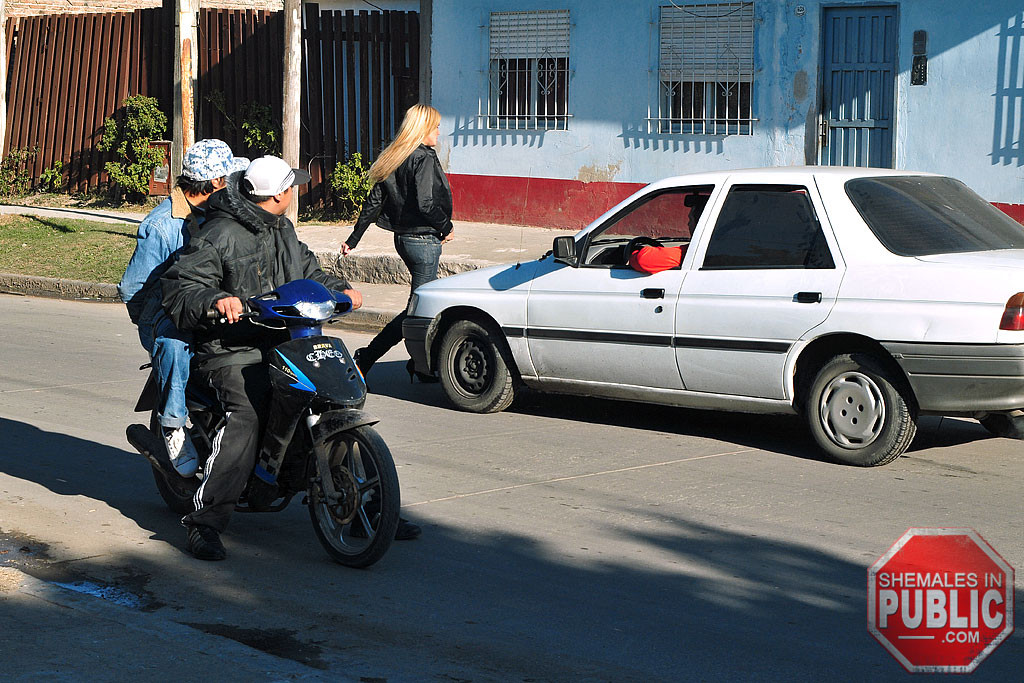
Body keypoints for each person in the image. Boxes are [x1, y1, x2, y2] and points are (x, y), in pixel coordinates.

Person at [162, 155, 419, 560]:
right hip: (232, 349)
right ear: (278, 193)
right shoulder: (218, 235)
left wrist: (341, 288)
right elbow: (181, 289)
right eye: (292, 186)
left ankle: (369, 506)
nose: (295, 191)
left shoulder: (281, 228)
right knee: (245, 417)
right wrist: (217, 300)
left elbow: (308, 271)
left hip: (287, 341)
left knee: (332, 400)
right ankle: (204, 524)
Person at [118, 139, 248, 477]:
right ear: (216, 183)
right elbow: (133, 288)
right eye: (228, 179)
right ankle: (173, 426)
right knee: (175, 343)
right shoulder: (162, 225)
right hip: (168, 315)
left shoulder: (219, 213)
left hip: (209, 308)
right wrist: (155, 324)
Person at [342, 104, 453, 381]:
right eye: (436, 127)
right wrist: (446, 226)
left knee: (420, 305)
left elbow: (374, 202)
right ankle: (369, 356)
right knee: (419, 309)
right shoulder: (423, 157)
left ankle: (417, 363)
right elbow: (426, 203)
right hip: (423, 240)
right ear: (423, 129)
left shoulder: (395, 155)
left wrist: (353, 239)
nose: (439, 132)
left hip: (402, 238)